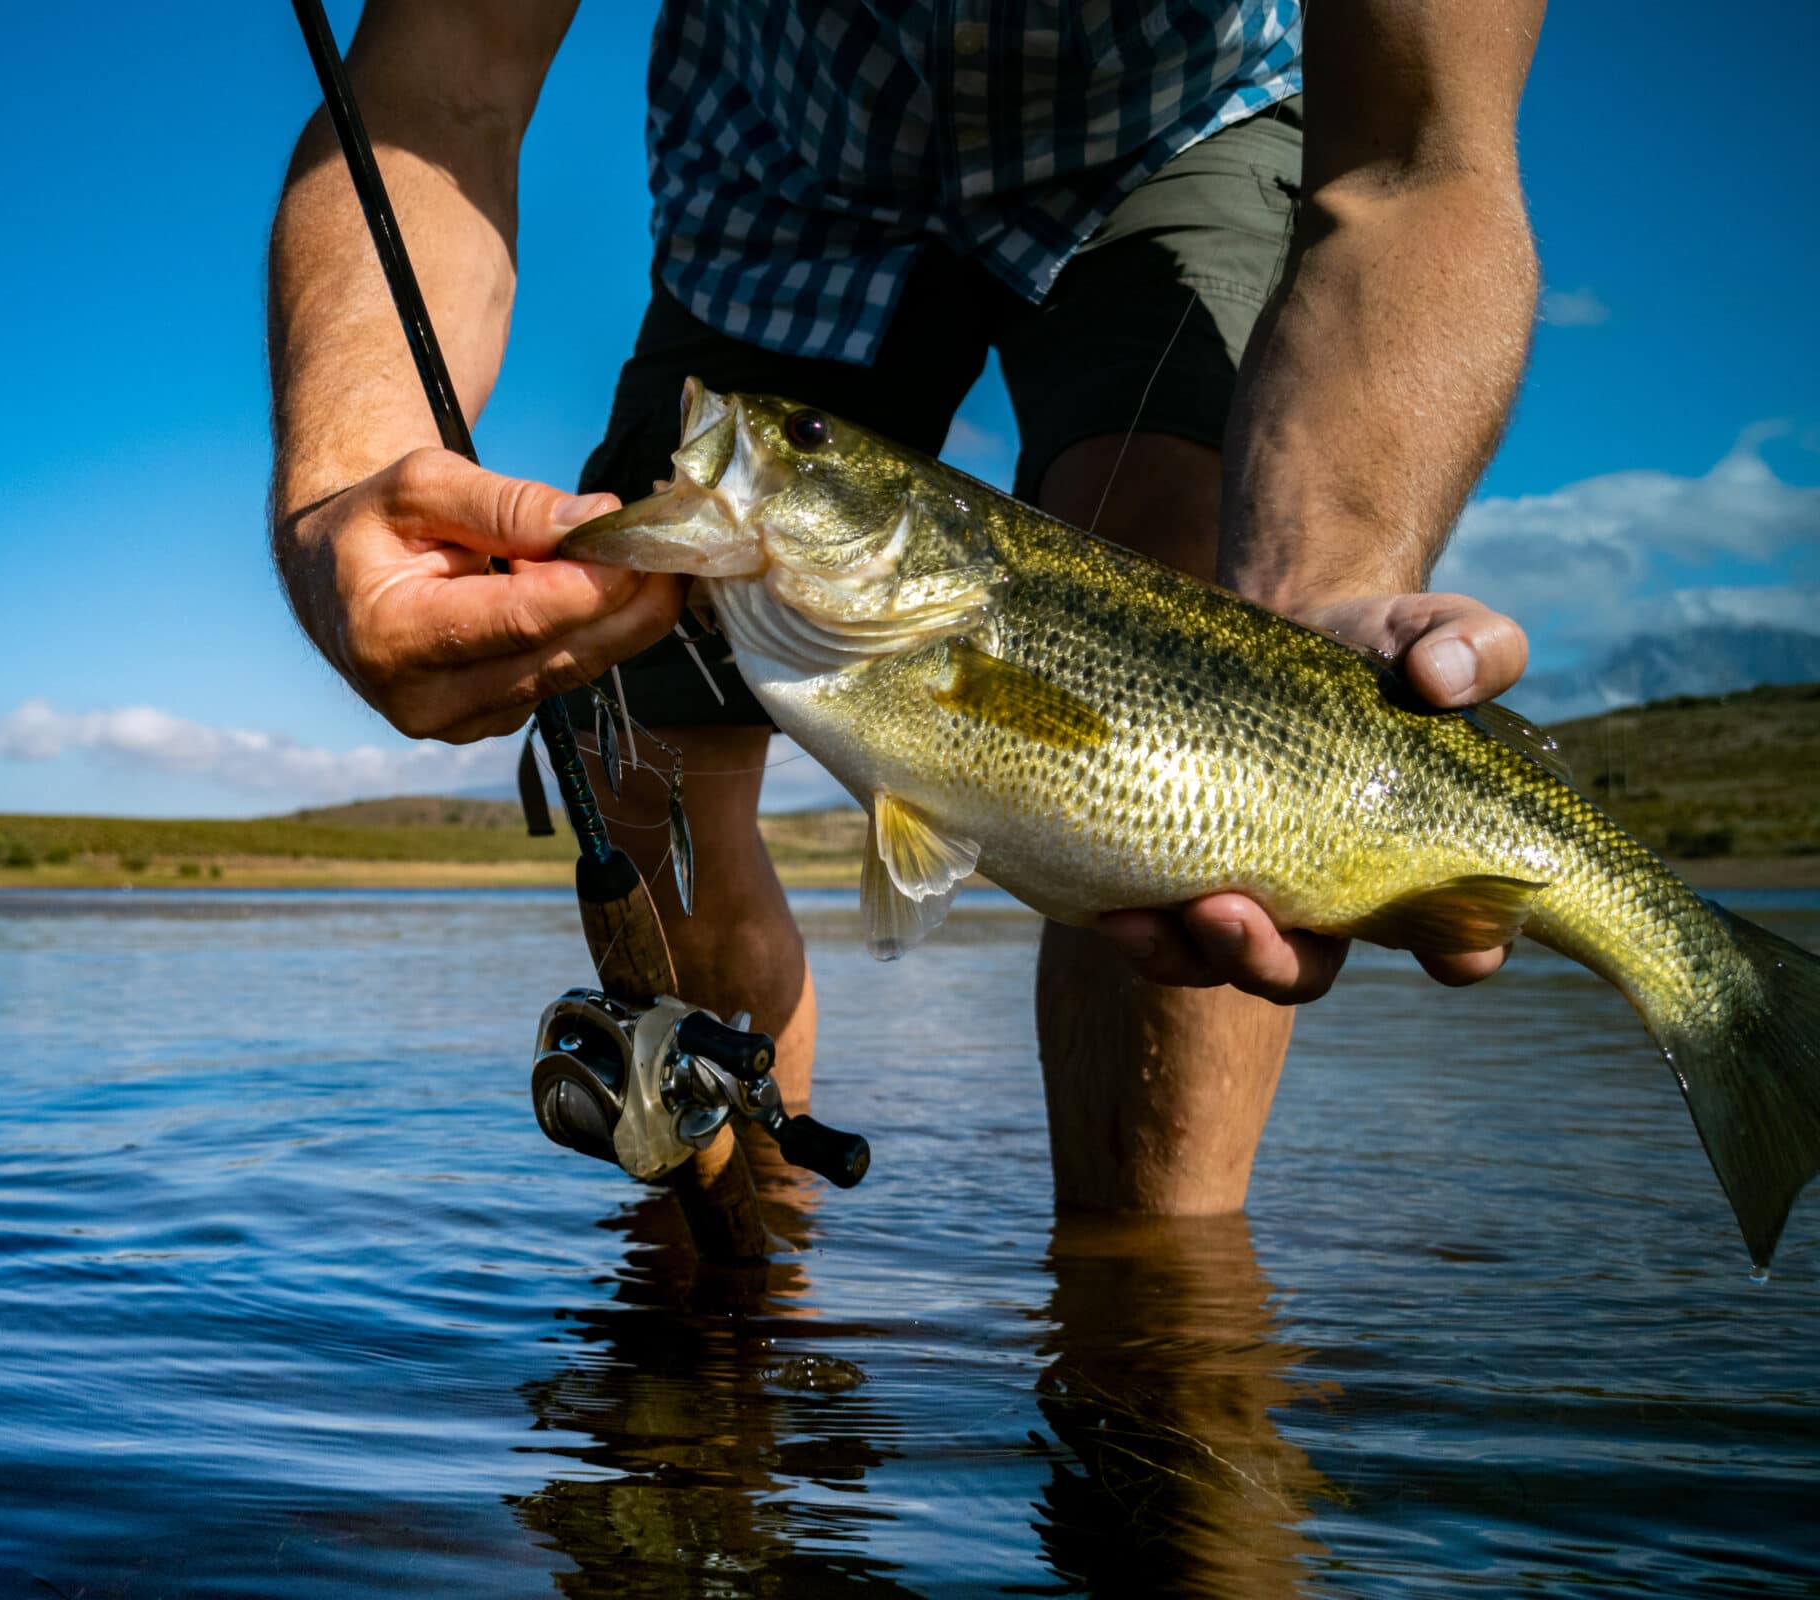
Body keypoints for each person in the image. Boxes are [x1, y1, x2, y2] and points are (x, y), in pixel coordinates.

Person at [267, 0, 1544, 1243]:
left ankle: (1152, 1354)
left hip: (1176, 124)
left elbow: (1417, 165)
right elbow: (439, 89)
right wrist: (345, 475)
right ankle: (745, 1302)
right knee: (625, 734)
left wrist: (1315, 596)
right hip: (778, 159)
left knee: (1184, 576)